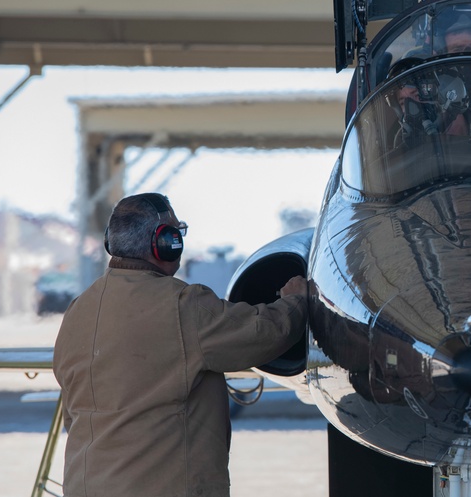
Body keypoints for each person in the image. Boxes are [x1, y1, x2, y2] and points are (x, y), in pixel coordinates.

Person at [53, 192, 307, 497]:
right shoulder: (183, 305)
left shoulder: (79, 309)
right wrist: (297, 299)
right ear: (164, 243)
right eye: (175, 233)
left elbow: (73, 412)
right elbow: (265, 333)